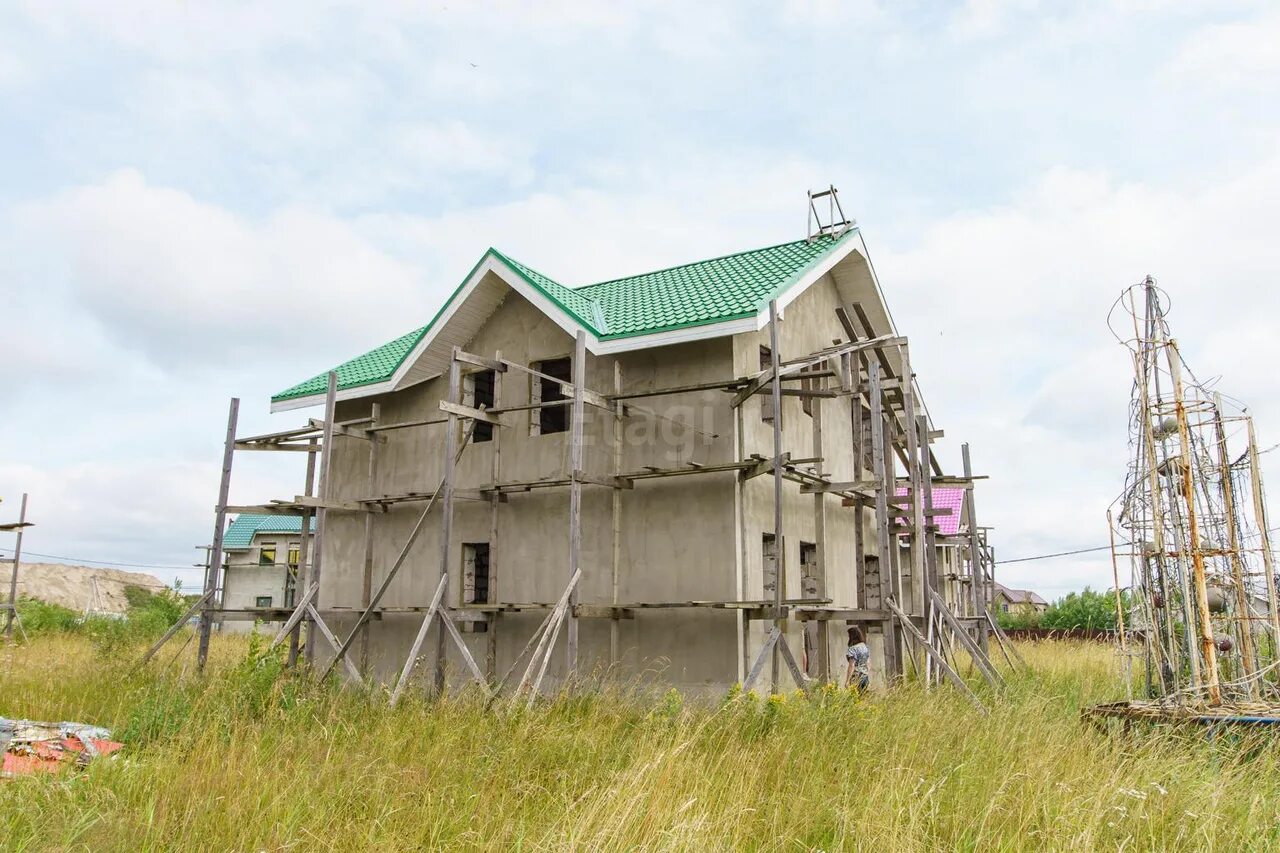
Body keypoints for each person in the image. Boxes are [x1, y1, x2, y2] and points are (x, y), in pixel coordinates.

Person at [845, 626, 870, 692]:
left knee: (855, 698)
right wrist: (866, 673)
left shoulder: (852, 649)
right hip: (865, 676)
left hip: (856, 676)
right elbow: (868, 662)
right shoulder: (865, 647)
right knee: (863, 697)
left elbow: (852, 665)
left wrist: (847, 681)